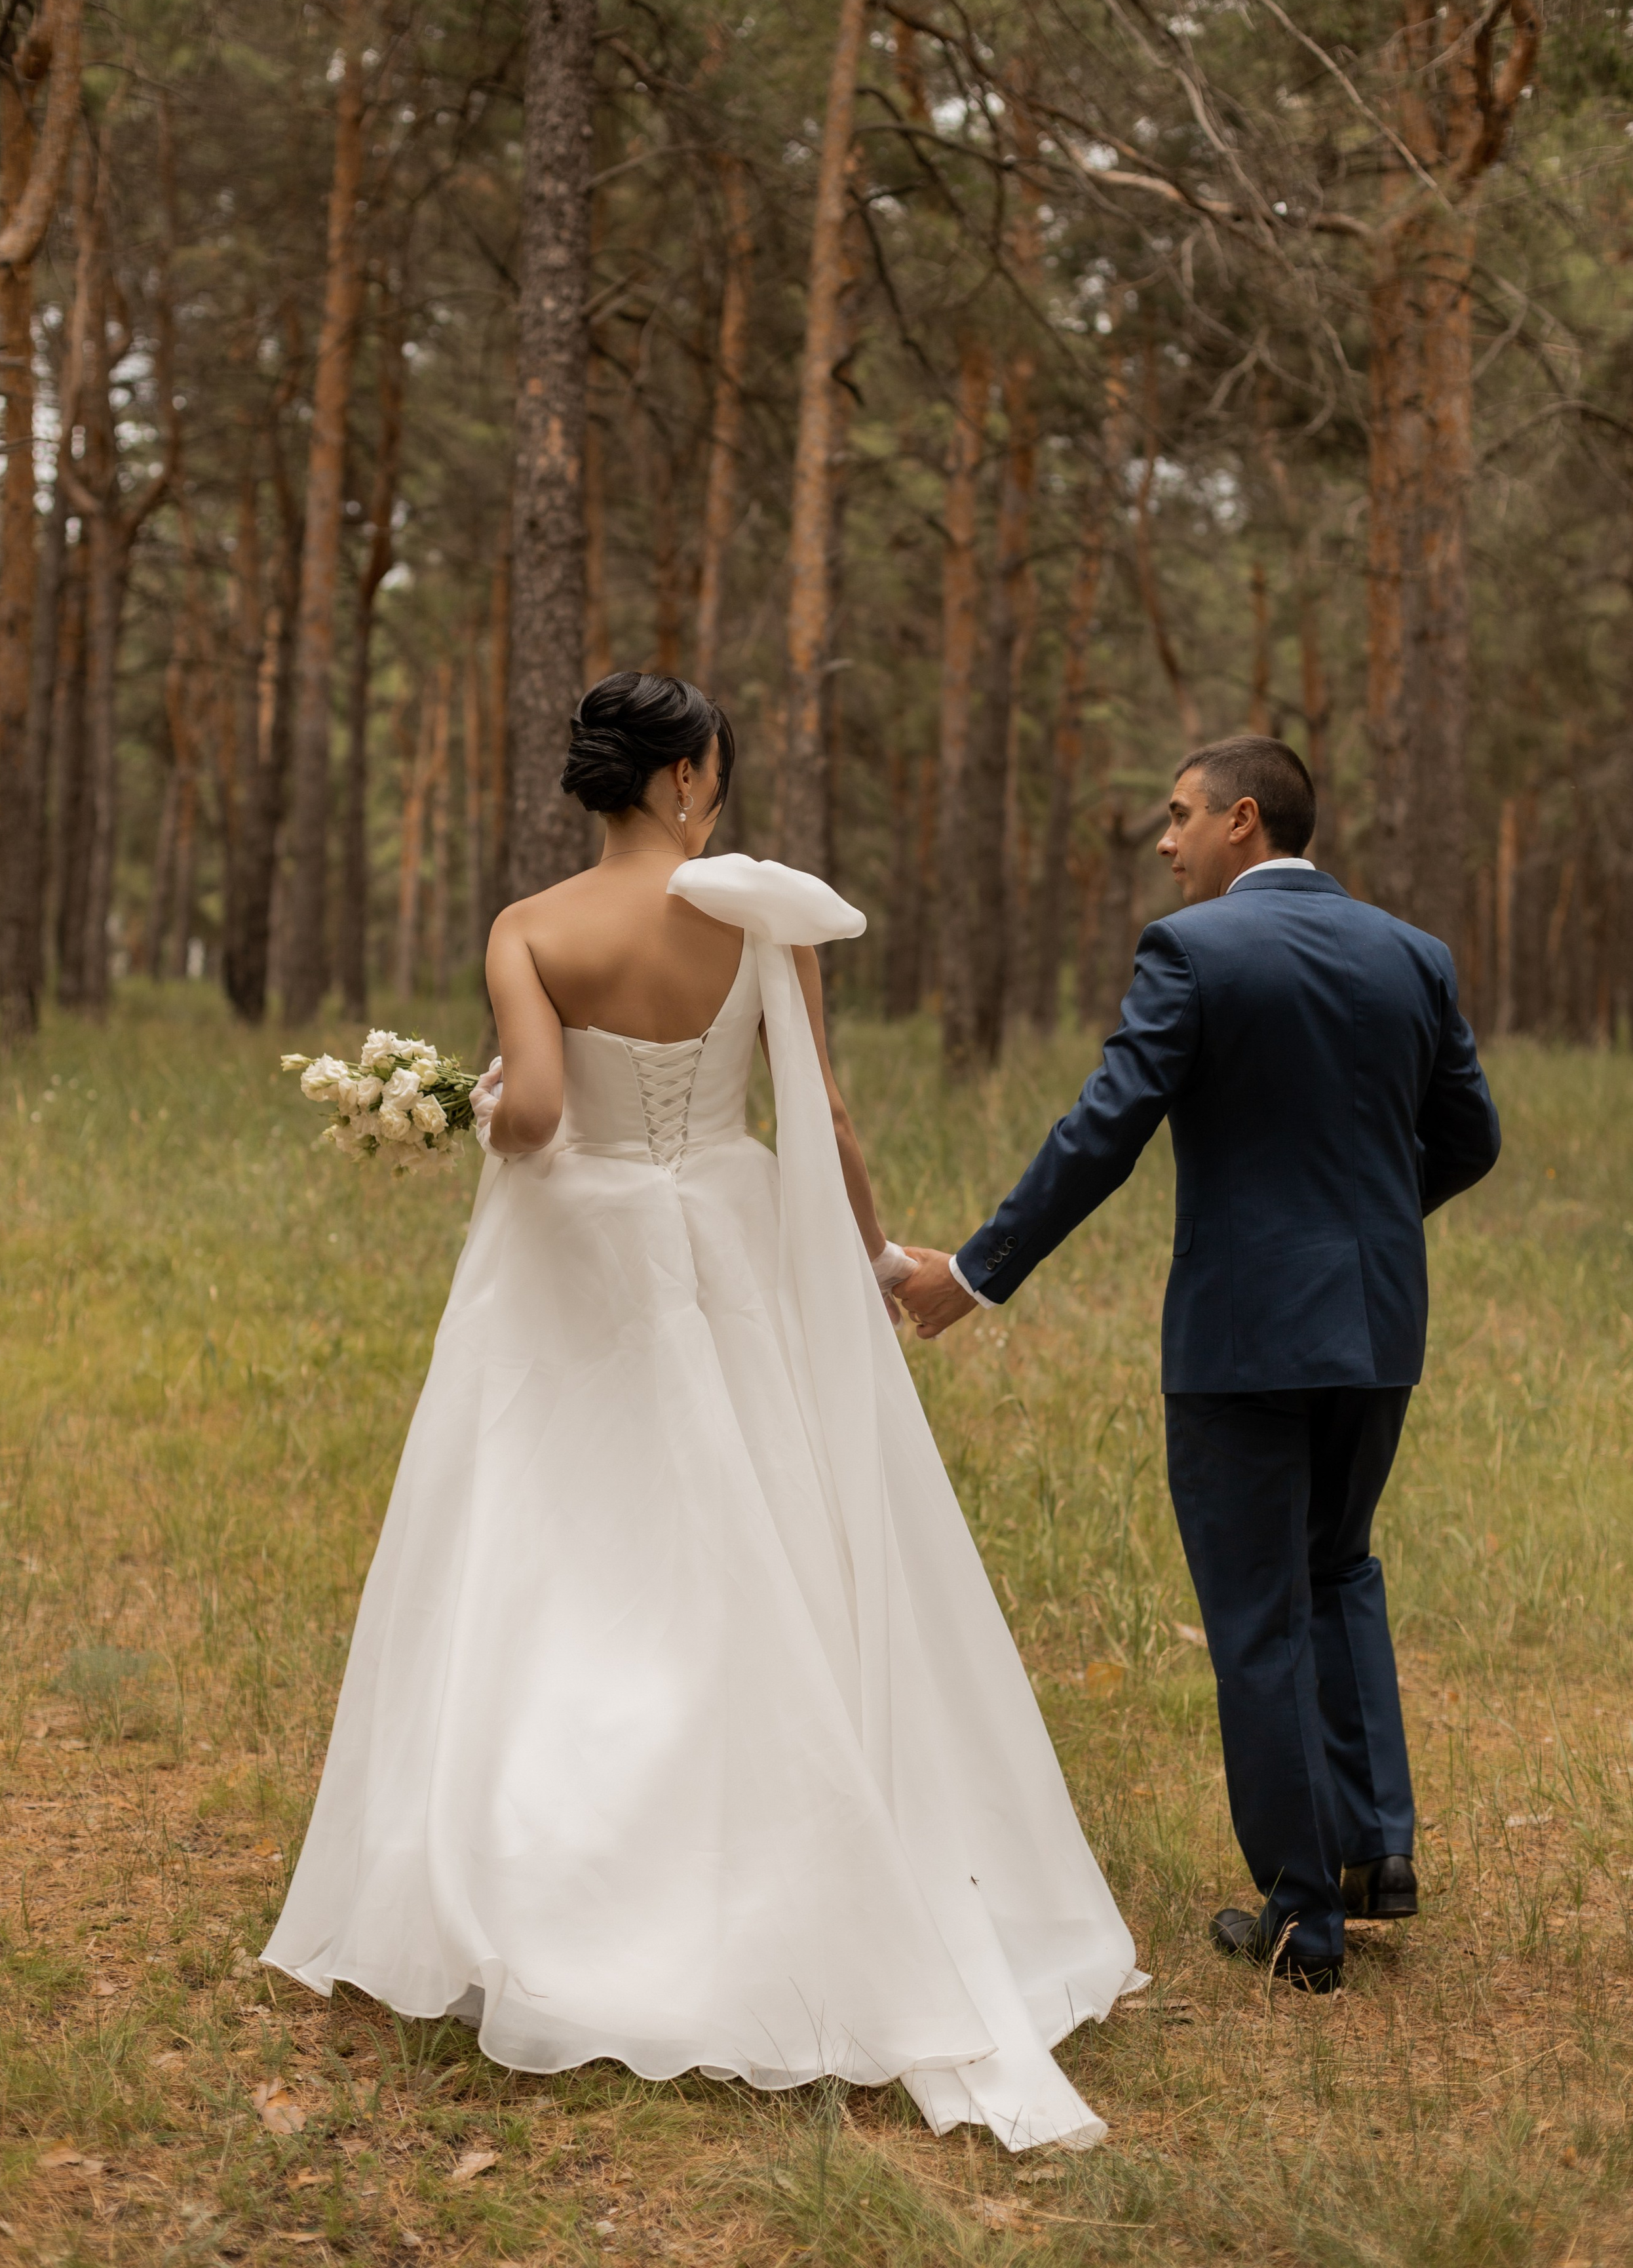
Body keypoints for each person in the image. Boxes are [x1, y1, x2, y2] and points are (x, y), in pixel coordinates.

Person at [265, 671, 1143, 2151]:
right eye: (712, 775)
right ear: (678, 779)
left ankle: (542, 1883)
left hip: (578, 1261)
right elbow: (827, 1117)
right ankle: (790, 1862)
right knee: (758, 1535)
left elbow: (538, 1117)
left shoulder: (530, 929)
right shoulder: (761, 915)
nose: (716, 799)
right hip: (731, 1236)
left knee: (554, 1545)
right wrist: (868, 1258)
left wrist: (469, 1103)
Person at [898, 735, 1501, 1994]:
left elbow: (1103, 1132)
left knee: (1259, 1611)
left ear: (1243, 821)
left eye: (1176, 818)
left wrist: (976, 1269)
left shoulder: (1195, 952)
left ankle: (1302, 1920)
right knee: (1340, 1569)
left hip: (1243, 1338)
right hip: (1378, 1327)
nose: (1164, 842)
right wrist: (1366, 1237)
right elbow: (1472, 1140)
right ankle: (1370, 1852)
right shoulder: (1414, 956)